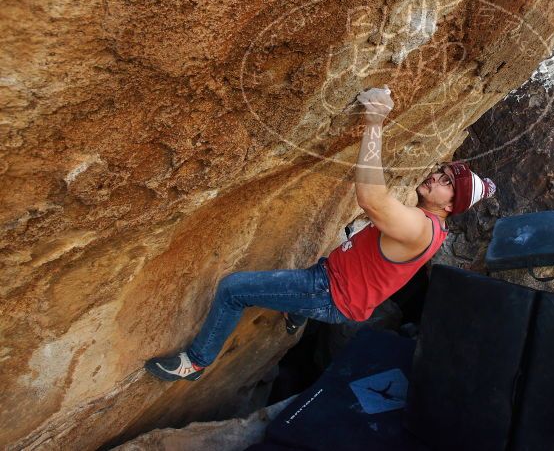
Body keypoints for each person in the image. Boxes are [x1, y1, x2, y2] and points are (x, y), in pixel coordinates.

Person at [145, 87, 496, 381]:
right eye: (442, 173)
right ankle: (299, 315)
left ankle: (196, 362)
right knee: (318, 266)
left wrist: (375, 122)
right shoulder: (430, 225)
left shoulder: (420, 226)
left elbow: (372, 199)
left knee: (233, 290)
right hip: (336, 284)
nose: (436, 178)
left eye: (447, 183)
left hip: (328, 292)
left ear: (451, 205)